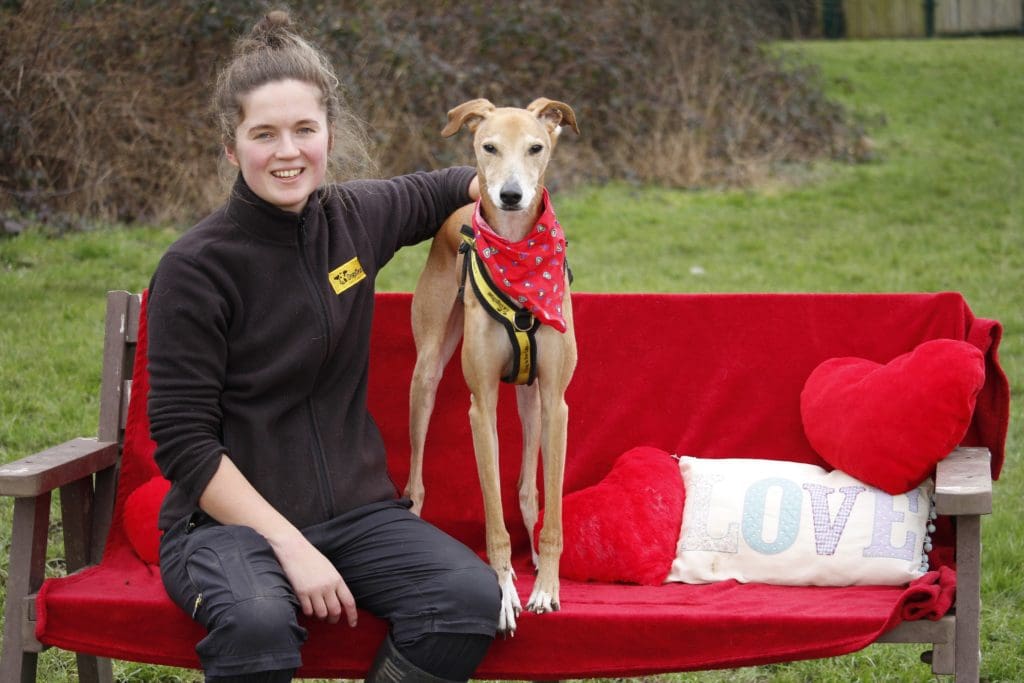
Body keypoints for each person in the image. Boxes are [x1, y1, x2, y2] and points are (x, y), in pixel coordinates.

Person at [146, 10, 500, 683]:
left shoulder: (355, 220)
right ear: (231, 147)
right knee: (256, 624)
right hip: (226, 528)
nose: (288, 151)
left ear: (329, 136)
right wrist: (287, 543)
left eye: (305, 130)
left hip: (358, 514)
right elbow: (184, 442)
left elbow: (453, 183)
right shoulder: (196, 268)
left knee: (465, 597)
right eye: (264, 134)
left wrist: (516, 198)